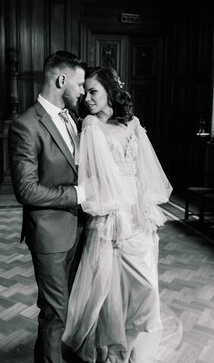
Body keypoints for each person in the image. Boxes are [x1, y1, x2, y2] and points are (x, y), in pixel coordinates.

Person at [63, 67, 172, 363]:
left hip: (137, 213)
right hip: (110, 214)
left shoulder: (133, 123)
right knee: (109, 291)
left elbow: (144, 171)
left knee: (146, 288)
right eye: (84, 92)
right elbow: (94, 176)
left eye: (93, 91)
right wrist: (111, 211)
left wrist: (146, 208)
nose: (86, 98)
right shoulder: (90, 125)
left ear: (111, 91)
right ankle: (113, 351)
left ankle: (131, 340)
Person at [8, 50, 88, 363]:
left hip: (78, 229)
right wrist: (77, 195)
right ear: (61, 79)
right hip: (50, 236)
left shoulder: (73, 119)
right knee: (56, 310)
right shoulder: (26, 125)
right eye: (79, 84)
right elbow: (26, 190)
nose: (82, 91)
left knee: (59, 308)